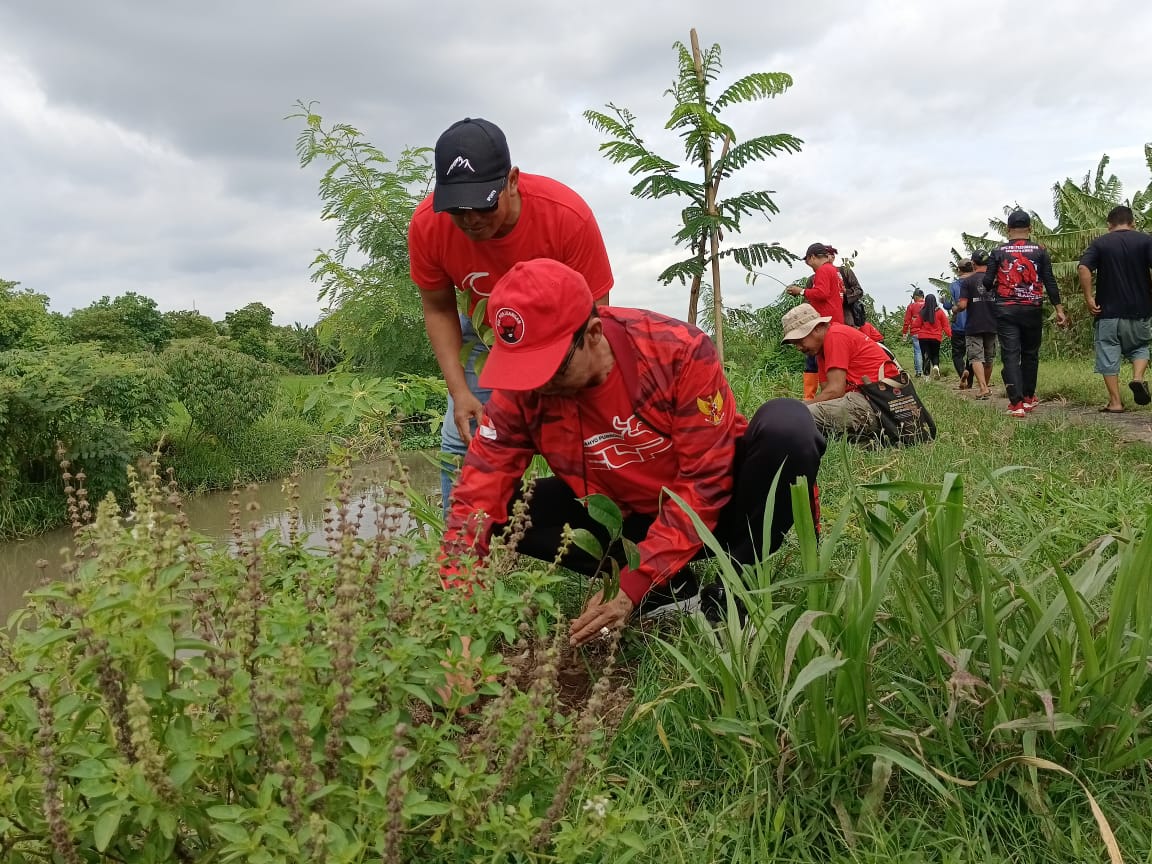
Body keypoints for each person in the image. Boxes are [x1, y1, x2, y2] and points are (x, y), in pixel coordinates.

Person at [439, 259, 826, 646]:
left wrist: (631, 587)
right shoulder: (522, 392)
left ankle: (735, 590)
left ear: (593, 333)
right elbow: (477, 494)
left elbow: (705, 482)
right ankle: (669, 587)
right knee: (509, 510)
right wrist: (458, 624)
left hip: (720, 510)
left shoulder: (675, 351)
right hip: (626, 515)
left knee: (788, 427)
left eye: (550, 370)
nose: (536, 387)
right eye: (523, 371)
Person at [408, 117, 614, 506]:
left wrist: (572, 386)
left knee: (586, 434)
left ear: (512, 181)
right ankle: (464, 540)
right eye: (458, 209)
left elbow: (595, 318)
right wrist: (460, 391)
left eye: (483, 204)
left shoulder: (566, 217)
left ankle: (606, 527)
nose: (471, 219)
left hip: (562, 337)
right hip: (485, 334)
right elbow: (437, 308)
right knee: (466, 438)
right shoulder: (428, 226)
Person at [982, 210, 1068, 418]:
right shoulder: (1040, 251)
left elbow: (987, 282)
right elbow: (1049, 281)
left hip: (1006, 309)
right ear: (1030, 228)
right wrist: (1059, 309)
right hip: (1032, 309)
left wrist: (996, 283)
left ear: (1008, 229)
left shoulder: (998, 251)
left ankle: (1017, 403)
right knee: (1030, 353)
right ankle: (1028, 398)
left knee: (1011, 354)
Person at [781, 302, 902, 441]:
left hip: (880, 403)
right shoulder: (820, 352)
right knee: (804, 416)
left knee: (799, 416)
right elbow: (828, 394)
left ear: (817, 328)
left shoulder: (835, 335)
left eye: (800, 341)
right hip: (867, 402)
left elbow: (835, 391)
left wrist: (800, 407)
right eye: (794, 343)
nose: (798, 347)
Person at [1078, 205, 1152, 413]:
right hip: (1140, 309)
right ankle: (1138, 378)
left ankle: (1116, 402)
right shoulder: (1146, 240)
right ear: (1132, 223)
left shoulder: (1101, 243)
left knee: (1108, 352)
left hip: (1108, 311)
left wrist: (1089, 297)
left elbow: (1083, 267)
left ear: (1109, 225)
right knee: (1140, 347)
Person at [787, 243, 845, 400]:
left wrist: (801, 291)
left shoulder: (823, 271)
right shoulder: (834, 271)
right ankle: (828, 396)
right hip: (835, 320)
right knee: (823, 359)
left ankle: (815, 398)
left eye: (807, 261)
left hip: (825, 323)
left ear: (812, 257)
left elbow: (822, 293)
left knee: (816, 358)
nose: (809, 265)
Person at [955, 249, 997, 399]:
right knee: (989, 358)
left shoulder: (967, 281)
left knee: (976, 357)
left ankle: (983, 388)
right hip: (992, 323)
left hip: (974, 324)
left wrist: (955, 309)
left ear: (973, 263)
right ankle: (985, 386)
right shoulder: (996, 280)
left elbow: (962, 305)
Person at [948, 260, 975, 387]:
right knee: (973, 355)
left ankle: (962, 372)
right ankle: (970, 382)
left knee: (957, 354)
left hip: (958, 325)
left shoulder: (953, 286)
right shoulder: (977, 282)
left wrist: (944, 303)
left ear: (959, 269)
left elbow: (948, 304)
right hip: (974, 324)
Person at [916, 293, 952, 380]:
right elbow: (946, 326)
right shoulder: (940, 312)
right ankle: (936, 366)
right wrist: (950, 335)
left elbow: (916, 324)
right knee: (935, 354)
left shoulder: (922, 312)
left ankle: (927, 377)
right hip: (936, 337)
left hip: (923, 337)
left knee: (926, 356)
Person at [901, 289, 926, 376]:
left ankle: (919, 372)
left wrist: (904, 333)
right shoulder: (928, 305)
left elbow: (907, 321)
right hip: (927, 332)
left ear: (915, 297)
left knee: (917, 352)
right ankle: (926, 371)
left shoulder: (911, 306)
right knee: (926, 352)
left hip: (915, 332)